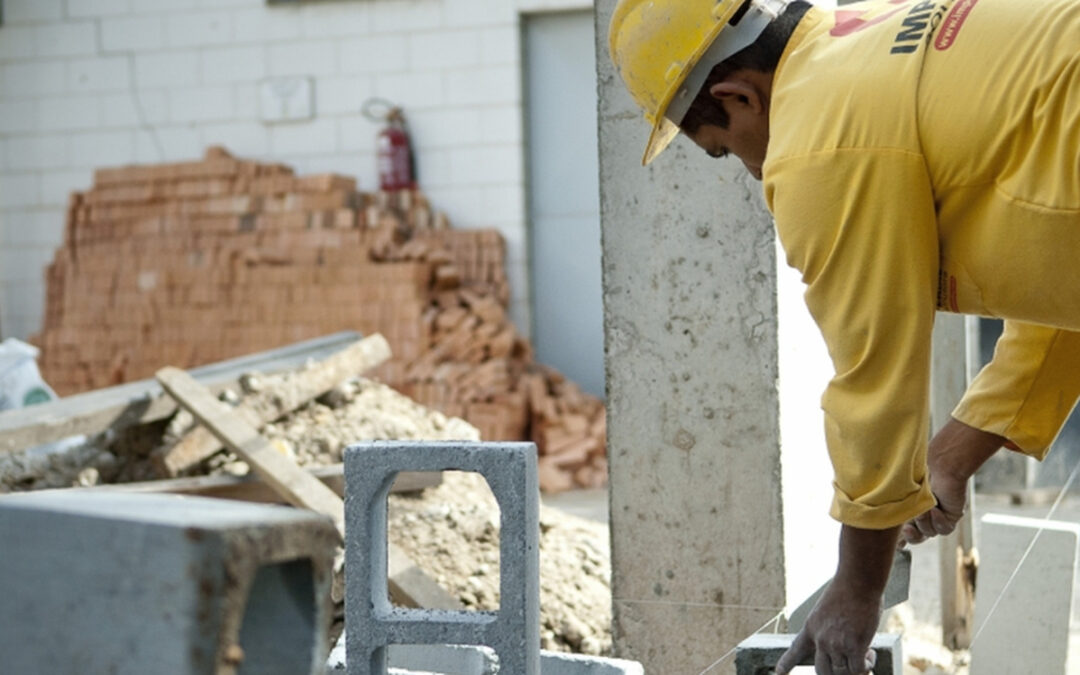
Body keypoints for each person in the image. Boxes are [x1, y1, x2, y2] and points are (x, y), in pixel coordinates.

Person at [608, 0, 1080, 672]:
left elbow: (875, 378)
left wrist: (856, 587)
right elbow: (1064, 261)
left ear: (737, 94)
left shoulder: (817, 141)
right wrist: (952, 452)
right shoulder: (868, 37)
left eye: (723, 151)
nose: (749, 173)